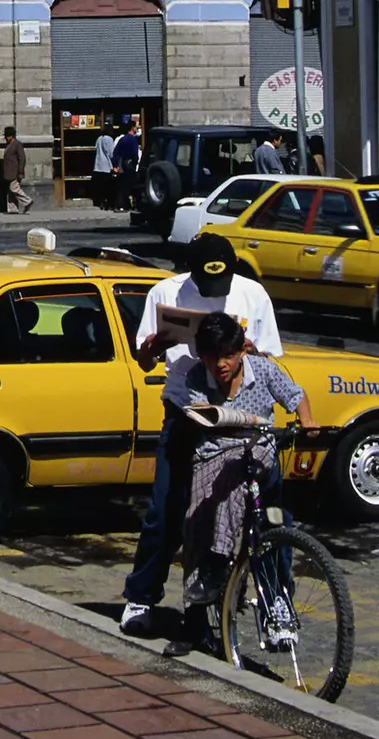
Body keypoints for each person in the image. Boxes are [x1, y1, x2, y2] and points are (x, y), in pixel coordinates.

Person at [119, 231, 282, 638]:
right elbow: (142, 360)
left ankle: (276, 601)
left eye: (221, 283)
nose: (215, 292)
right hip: (187, 411)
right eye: (207, 285)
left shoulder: (252, 295)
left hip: (241, 415)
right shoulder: (165, 292)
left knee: (269, 512)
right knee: (167, 508)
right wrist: (152, 349)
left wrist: (243, 349)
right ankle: (142, 597)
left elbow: (271, 361)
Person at [179, 313, 315, 623]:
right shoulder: (197, 376)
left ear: (242, 350)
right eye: (213, 357)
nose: (221, 365)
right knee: (200, 512)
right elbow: (201, 410)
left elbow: (295, 395)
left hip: (259, 451)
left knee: (276, 525)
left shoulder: (264, 370)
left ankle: (274, 600)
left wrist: (307, 421)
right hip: (216, 452)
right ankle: (205, 586)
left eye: (228, 355)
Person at [0, 126, 30, 214]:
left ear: (11, 136)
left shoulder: (17, 144)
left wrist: (20, 171)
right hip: (9, 172)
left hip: (15, 172)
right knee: (10, 191)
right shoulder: (9, 144)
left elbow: (22, 158)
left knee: (14, 188)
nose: (5, 138)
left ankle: (27, 201)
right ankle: (13, 209)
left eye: (6, 136)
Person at [111, 119, 142, 208]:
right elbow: (134, 154)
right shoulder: (133, 140)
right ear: (132, 128)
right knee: (133, 186)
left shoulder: (123, 139)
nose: (137, 128)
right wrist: (136, 164)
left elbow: (116, 153)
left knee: (123, 186)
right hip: (131, 165)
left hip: (123, 165)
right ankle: (134, 204)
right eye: (136, 126)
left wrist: (115, 165)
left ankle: (123, 204)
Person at [92, 124, 118, 210]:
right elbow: (111, 153)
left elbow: (95, 149)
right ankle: (108, 203)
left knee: (100, 187)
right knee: (108, 187)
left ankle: (101, 202)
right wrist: (115, 164)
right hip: (106, 166)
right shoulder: (109, 139)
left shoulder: (99, 139)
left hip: (98, 166)